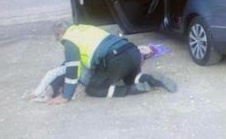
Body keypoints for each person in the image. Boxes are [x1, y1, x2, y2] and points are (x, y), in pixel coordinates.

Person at [49, 21, 177, 104]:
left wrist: (65, 96)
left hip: (116, 59)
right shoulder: (84, 28)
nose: (60, 42)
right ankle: (150, 79)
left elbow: (72, 69)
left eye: (58, 38)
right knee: (130, 77)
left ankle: (131, 90)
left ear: (60, 34)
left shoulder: (69, 40)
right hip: (132, 52)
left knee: (93, 88)